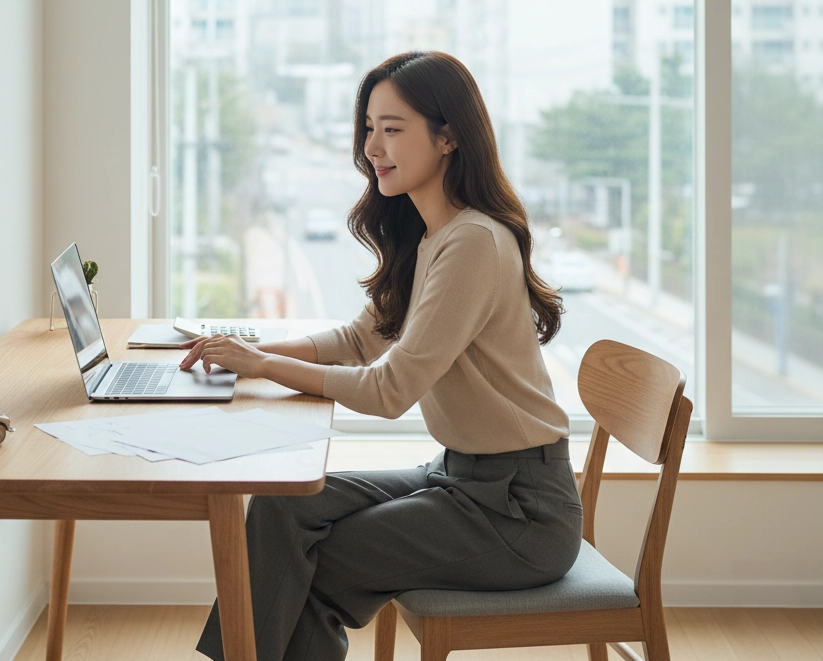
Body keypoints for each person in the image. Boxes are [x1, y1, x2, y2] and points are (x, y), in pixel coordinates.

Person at [179, 50, 581, 661]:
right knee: (284, 510)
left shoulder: (473, 243)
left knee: (316, 562)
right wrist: (242, 354)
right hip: (461, 477)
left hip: (520, 513)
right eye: (370, 127)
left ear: (448, 137)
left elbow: (388, 391)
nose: (373, 146)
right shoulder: (431, 236)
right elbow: (358, 342)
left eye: (393, 129)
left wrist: (262, 367)